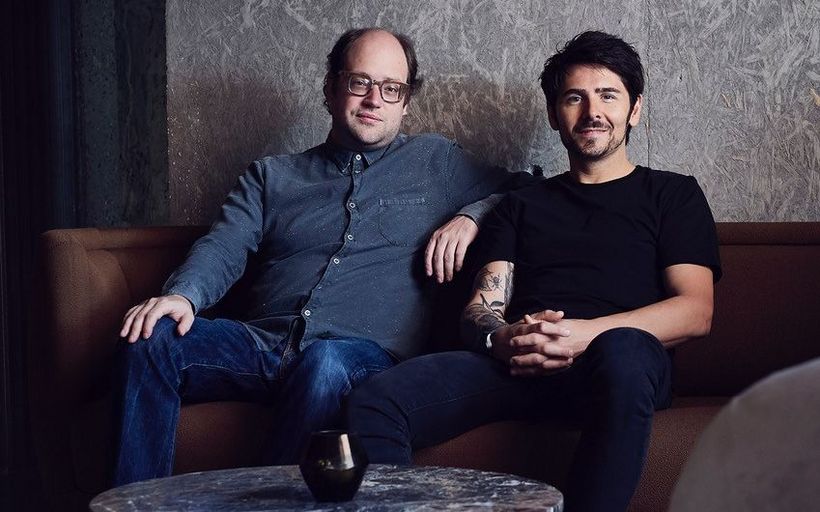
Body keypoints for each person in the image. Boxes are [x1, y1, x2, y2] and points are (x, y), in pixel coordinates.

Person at [111, 27, 532, 486]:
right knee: (152, 336)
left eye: (391, 88)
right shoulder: (271, 177)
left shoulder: (437, 163)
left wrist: (472, 216)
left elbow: (527, 191)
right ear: (330, 89)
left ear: (406, 102)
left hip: (362, 356)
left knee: (325, 361)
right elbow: (223, 245)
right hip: (263, 344)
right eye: (360, 82)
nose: (374, 99)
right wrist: (184, 296)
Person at [345, 30, 722, 512]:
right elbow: (482, 308)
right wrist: (503, 338)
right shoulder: (519, 205)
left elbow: (695, 311)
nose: (592, 112)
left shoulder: (673, 194)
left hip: (619, 369)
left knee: (624, 349)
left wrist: (580, 335)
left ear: (635, 109)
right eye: (574, 97)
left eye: (608, 95)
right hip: (523, 364)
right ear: (553, 113)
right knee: (377, 399)